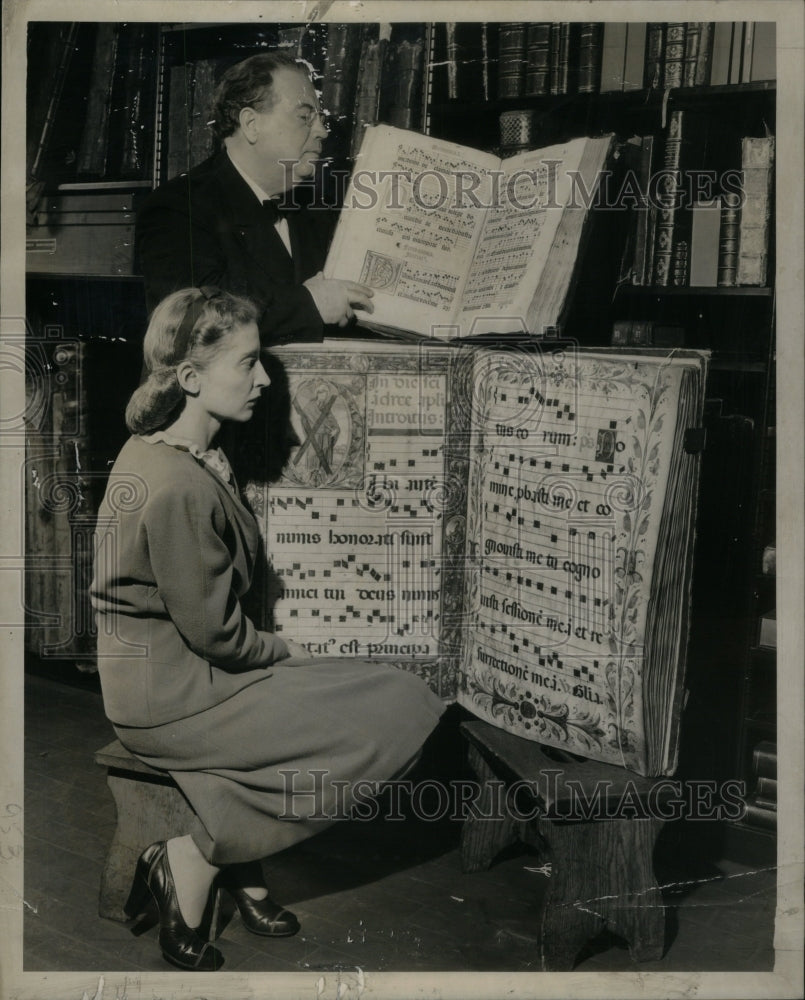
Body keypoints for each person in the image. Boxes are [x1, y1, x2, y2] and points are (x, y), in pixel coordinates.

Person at [90, 287, 445, 971]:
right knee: (398, 707)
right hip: (175, 698)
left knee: (365, 684)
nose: (262, 381)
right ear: (190, 378)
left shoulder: (161, 450)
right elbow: (219, 637)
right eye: (248, 364)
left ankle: (244, 869)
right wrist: (287, 648)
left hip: (173, 679)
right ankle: (191, 859)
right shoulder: (180, 486)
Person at [136, 52, 374, 346]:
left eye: (321, 120)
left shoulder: (319, 207)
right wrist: (309, 303)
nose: (322, 132)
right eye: (305, 118)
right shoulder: (176, 208)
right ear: (251, 124)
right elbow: (196, 321)